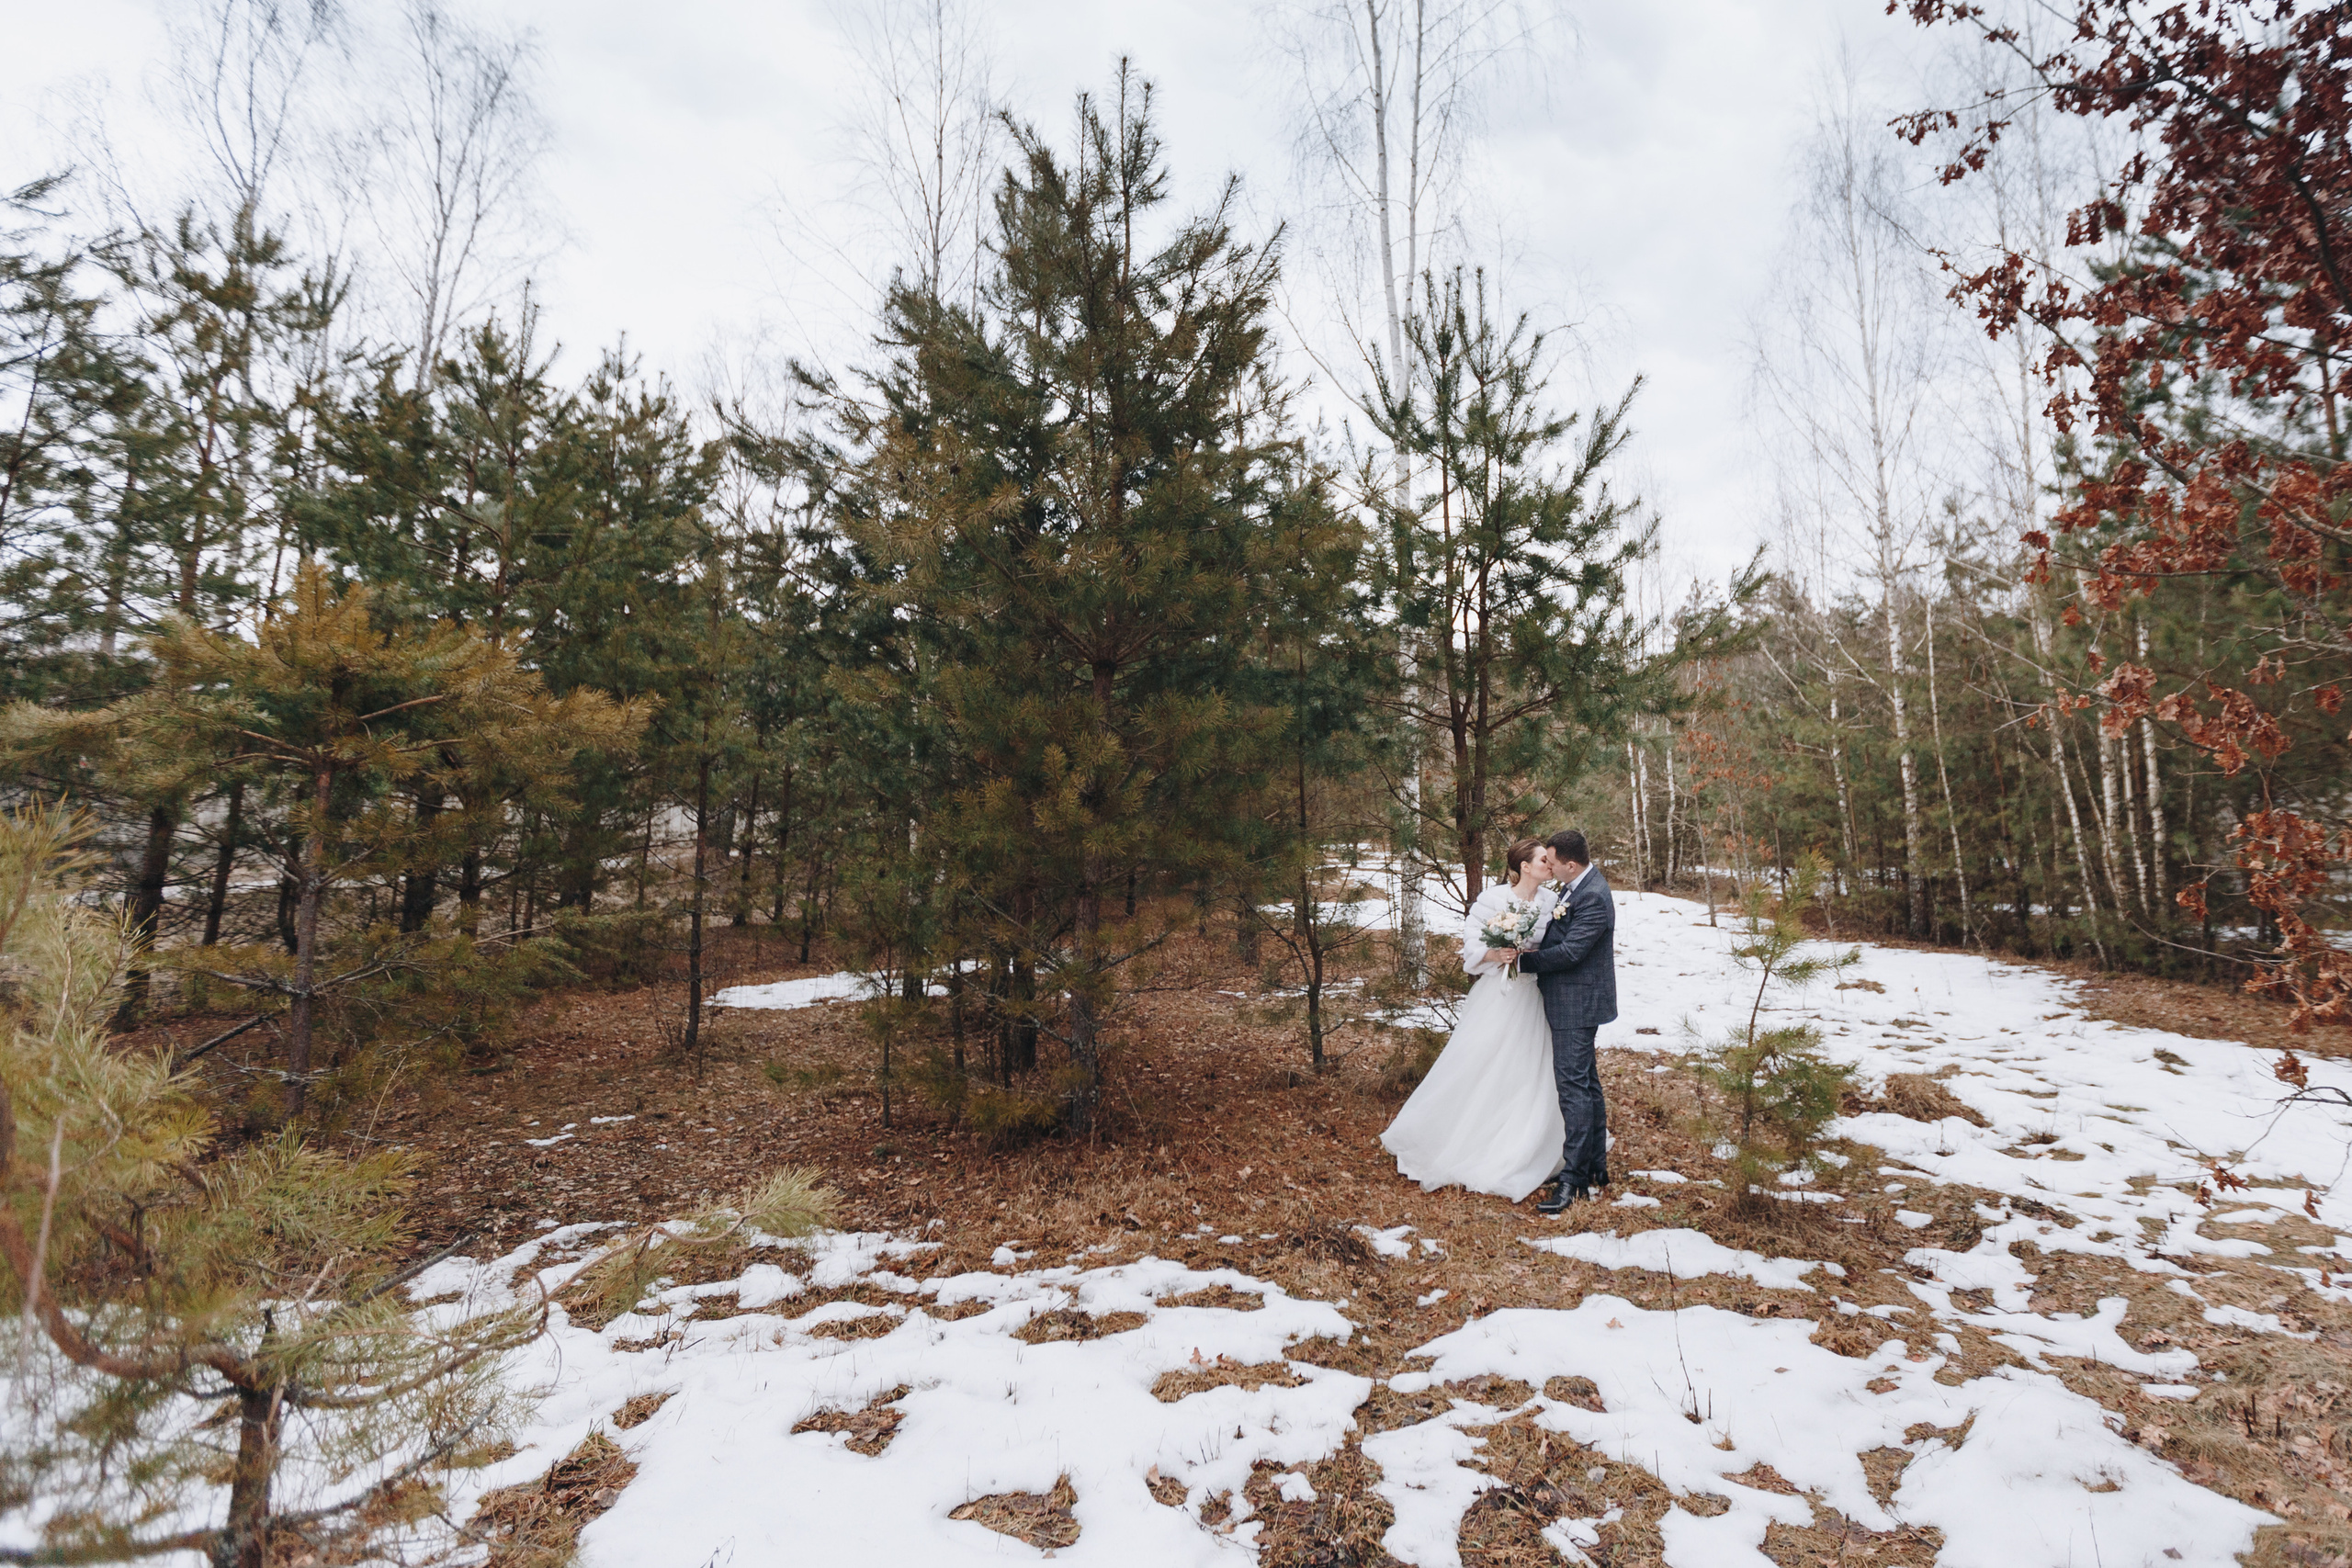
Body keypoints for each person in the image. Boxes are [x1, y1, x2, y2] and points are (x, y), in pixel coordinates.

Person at [1377, 838, 1566, 1201]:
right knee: (1479, 1064)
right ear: (1525, 866)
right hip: (1499, 995)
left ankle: (1525, 1143)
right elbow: (1471, 950)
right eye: (1544, 859)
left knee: (1530, 1070)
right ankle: (1459, 1138)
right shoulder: (1492, 901)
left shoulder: (1552, 903)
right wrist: (1498, 952)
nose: (1550, 864)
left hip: (1535, 994)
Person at [1514, 829, 1617, 1216]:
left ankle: (1573, 1181)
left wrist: (1524, 961)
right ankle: (1594, 1167)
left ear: (1570, 865)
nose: (1549, 868)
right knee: (1587, 1085)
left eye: (1553, 863)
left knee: (1573, 1088)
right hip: (1575, 999)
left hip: (1578, 1002)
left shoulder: (1592, 895)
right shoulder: (1577, 886)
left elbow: (1572, 950)